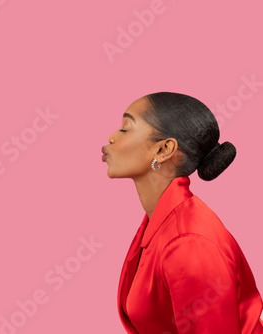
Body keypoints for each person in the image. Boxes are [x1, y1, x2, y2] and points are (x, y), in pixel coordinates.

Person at [102, 92, 263, 333]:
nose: (112, 138)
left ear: (163, 150)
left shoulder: (188, 242)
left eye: (125, 129)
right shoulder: (160, 220)